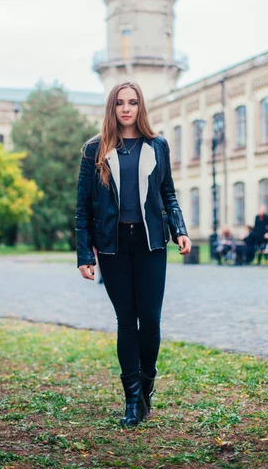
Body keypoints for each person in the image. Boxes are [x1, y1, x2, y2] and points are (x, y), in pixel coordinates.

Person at [76, 81, 192, 427]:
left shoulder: (158, 146)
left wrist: (180, 229)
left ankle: (146, 385)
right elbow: (83, 208)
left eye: (133, 102)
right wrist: (85, 254)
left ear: (141, 107)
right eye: (120, 103)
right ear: (111, 108)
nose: (126, 109)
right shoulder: (93, 150)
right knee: (126, 322)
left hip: (151, 243)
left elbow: (167, 193)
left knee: (151, 321)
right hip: (113, 248)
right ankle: (132, 402)